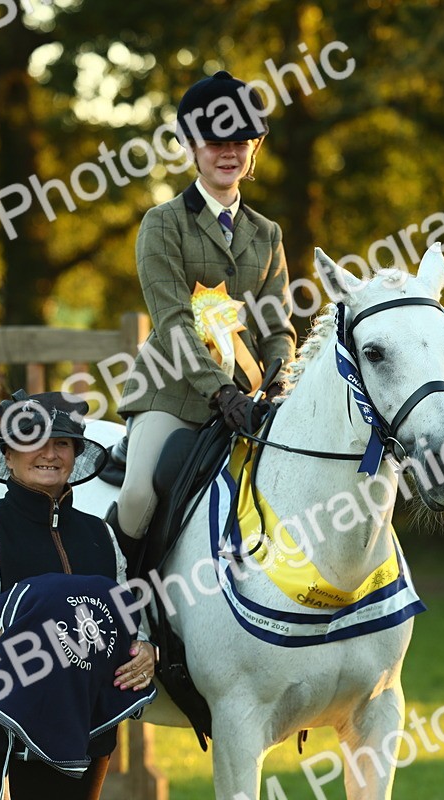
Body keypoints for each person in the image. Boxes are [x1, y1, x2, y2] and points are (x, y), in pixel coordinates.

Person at [112, 70, 296, 557]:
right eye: (215, 142)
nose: (228, 152)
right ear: (191, 147)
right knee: (138, 496)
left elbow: (277, 324)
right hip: (172, 392)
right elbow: (173, 322)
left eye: (240, 141)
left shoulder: (267, 233)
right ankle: (124, 600)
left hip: (251, 395)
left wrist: (278, 382)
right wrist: (219, 391)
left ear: (254, 148)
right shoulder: (163, 223)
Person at [0, 391, 158, 800]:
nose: (49, 453)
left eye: (61, 442)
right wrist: (60, 646)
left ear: (74, 453)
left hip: (84, 725)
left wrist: (146, 652)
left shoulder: (102, 534)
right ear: (9, 455)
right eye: (33, 440)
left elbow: (127, 621)